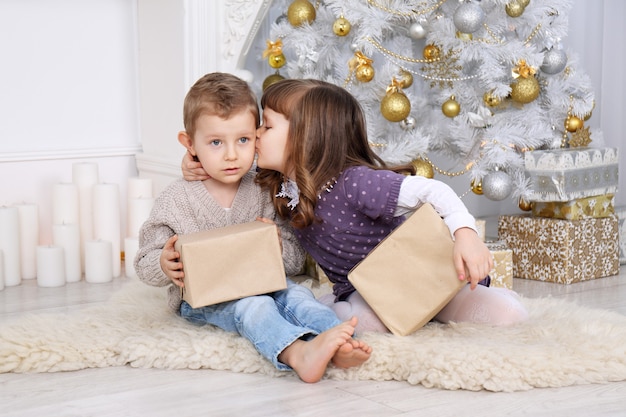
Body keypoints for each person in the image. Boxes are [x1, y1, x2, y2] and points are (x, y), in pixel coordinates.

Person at [182, 78, 529, 334]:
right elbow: (228, 163)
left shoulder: (353, 183)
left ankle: (443, 309)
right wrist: (193, 161)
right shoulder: (279, 185)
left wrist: (465, 233)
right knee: (356, 323)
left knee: (507, 314)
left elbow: (433, 191)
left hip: (425, 275)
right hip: (369, 290)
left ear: (305, 137)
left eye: (266, 126)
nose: (254, 135)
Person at [135, 73, 371, 383]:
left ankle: (336, 339)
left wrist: (276, 245)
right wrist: (165, 265)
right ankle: (296, 353)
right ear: (189, 144)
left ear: (256, 137)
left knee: (297, 295)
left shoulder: (264, 185)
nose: (232, 154)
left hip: (264, 281)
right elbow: (144, 262)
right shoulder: (176, 199)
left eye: (243, 140)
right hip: (204, 299)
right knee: (253, 306)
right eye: (216, 142)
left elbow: (294, 260)